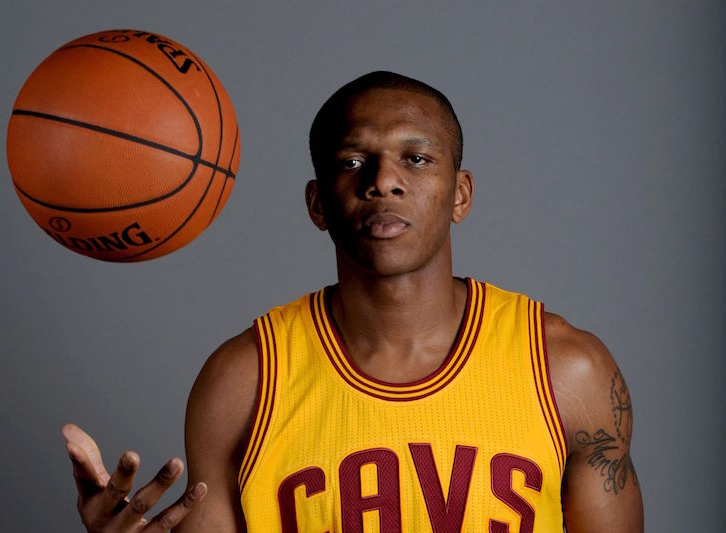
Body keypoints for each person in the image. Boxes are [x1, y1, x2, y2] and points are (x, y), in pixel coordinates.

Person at [63, 71, 644, 532]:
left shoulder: (567, 371)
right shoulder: (243, 383)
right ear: (317, 204)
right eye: (353, 162)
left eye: (416, 158)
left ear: (461, 195)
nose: (383, 180)